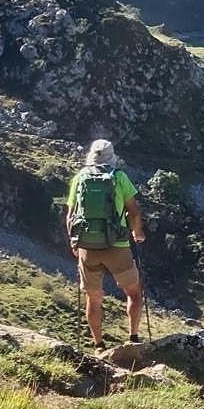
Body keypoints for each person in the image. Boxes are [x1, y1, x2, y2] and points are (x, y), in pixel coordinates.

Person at [65, 139, 146, 350]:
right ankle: (133, 338)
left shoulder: (79, 178)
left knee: (93, 298)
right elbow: (134, 210)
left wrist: (74, 242)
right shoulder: (119, 177)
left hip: (87, 246)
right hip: (117, 245)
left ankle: (98, 345)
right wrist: (137, 233)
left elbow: (70, 216)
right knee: (134, 292)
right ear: (112, 157)